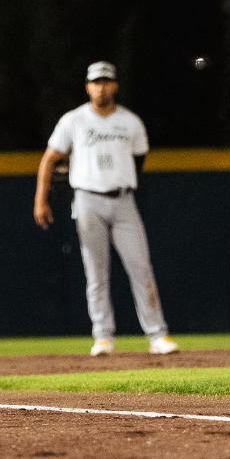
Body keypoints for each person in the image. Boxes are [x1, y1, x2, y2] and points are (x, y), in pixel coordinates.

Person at [33, 61, 179, 357]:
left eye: (106, 81)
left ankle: (157, 335)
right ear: (88, 86)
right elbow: (49, 158)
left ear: (115, 85)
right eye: (95, 82)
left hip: (123, 200)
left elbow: (139, 161)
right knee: (96, 273)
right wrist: (40, 199)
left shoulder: (131, 122)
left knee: (140, 266)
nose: (101, 87)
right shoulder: (73, 121)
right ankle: (102, 337)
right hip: (87, 200)